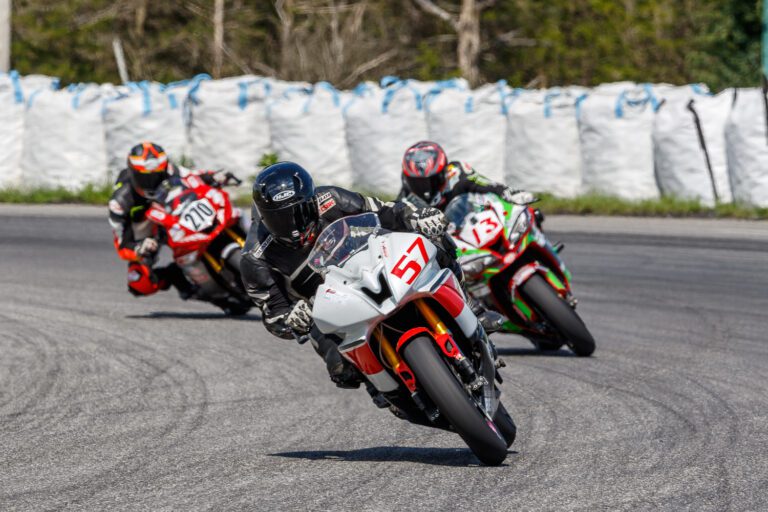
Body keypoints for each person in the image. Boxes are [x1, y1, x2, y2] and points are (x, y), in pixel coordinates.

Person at [240, 161, 457, 389]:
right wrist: (292, 319)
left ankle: (473, 308)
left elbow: (385, 211)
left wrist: (416, 217)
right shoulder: (255, 257)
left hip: (371, 267)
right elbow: (274, 315)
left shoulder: (332, 198)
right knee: (342, 370)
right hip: (326, 310)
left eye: (299, 212)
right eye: (280, 219)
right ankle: (385, 391)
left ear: (312, 200)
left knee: (434, 239)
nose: (293, 226)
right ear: (263, 218)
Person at [108, 141, 225, 298]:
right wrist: (138, 248)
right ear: (133, 173)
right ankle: (173, 276)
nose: (152, 183)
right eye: (145, 178)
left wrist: (213, 176)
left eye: (158, 176)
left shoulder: (171, 169)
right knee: (139, 283)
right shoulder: (119, 202)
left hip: (172, 211)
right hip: (144, 229)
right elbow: (121, 244)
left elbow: (194, 175)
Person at [397, 140, 532, 209]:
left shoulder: (456, 172)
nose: (425, 188)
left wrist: (508, 193)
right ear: (407, 179)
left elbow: (487, 184)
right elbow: (395, 215)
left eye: (431, 180)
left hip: (467, 225)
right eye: (417, 182)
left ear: (444, 172)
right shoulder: (407, 194)